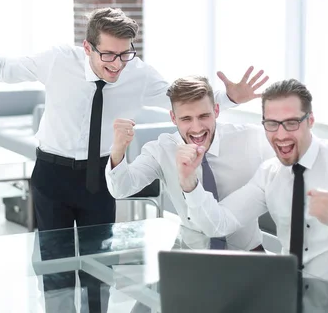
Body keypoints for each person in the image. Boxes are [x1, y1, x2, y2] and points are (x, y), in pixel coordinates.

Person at [0, 7, 266, 312]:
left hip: (101, 177)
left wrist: (230, 97)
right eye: (108, 54)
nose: (117, 64)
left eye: (125, 55)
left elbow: (183, 101)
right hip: (53, 173)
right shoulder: (58, 60)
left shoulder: (139, 73)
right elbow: (4, 69)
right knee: (55, 264)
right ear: (87, 47)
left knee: (101, 266)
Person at [182, 79, 328, 310]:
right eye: (272, 124)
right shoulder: (269, 173)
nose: (281, 134)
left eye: (292, 123)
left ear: (311, 121)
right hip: (288, 295)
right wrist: (189, 183)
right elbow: (218, 224)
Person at [106, 75, 274, 252]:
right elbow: (121, 189)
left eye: (204, 116)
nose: (197, 127)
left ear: (216, 110)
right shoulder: (161, 150)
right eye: (186, 118)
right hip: (190, 254)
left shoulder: (250, 138)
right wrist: (118, 150)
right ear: (173, 118)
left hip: (248, 252)